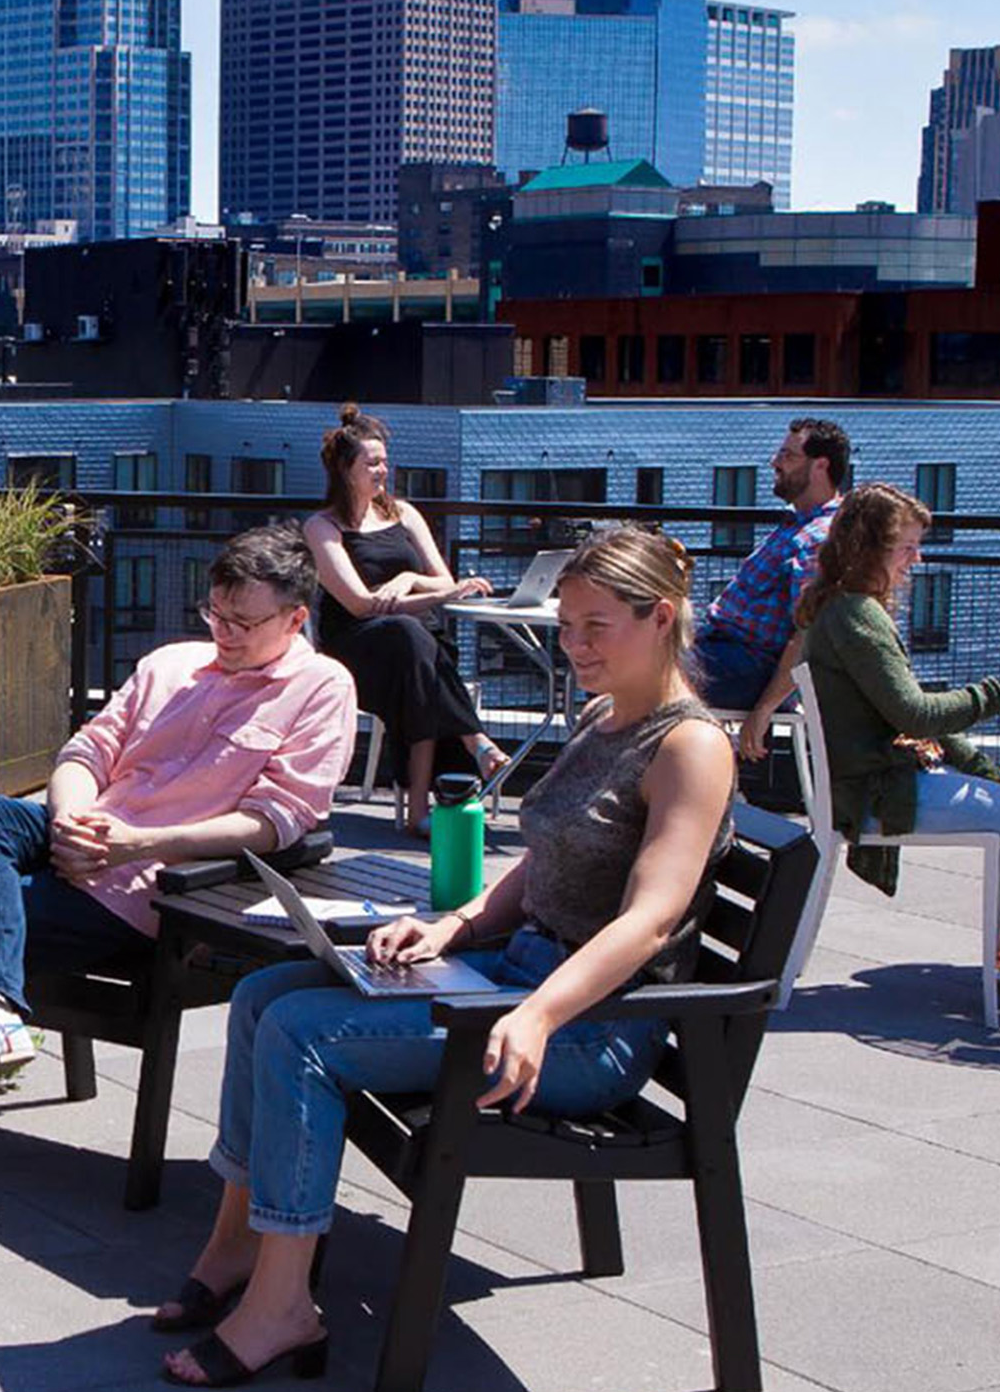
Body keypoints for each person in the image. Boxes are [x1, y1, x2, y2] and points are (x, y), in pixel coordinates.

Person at [157, 525, 735, 1387]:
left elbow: (650, 922)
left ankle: (282, 1305)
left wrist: (538, 1015)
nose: (571, 646)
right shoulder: (607, 718)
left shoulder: (688, 747)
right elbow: (542, 862)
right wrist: (455, 927)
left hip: (588, 1031)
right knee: (263, 994)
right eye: (568, 625)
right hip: (516, 974)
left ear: (660, 619)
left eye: (594, 628)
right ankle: (242, 1242)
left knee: (303, 1034)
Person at [0, 522, 360, 1224]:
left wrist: (137, 844)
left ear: (296, 617)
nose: (224, 633)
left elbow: (276, 821)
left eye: (244, 623)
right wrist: (73, 820)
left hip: (150, 884)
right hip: (88, 833)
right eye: (215, 614)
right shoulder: (172, 665)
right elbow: (88, 751)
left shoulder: (321, 688)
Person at [798, 484, 1000, 1026]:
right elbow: (915, 715)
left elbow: (907, 711)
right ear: (872, 550)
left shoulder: (842, 610)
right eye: (906, 547)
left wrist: (983, 769)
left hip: (879, 782)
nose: (917, 559)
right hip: (884, 794)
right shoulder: (858, 617)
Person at [301, 403, 505, 833]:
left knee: (417, 652)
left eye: (384, 462)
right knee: (412, 643)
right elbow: (359, 605)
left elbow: (440, 578)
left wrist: (409, 578)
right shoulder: (323, 528)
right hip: (356, 646)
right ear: (344, 469)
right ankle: (475, 742)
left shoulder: (404, 514)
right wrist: (438, 595)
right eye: (372, 463)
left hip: (412, 644)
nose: (382, 472)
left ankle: (418, 813)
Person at [691, 418, 847, 750]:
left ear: (820, 466)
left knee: (628, 675)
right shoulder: (797, 524)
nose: (775, 463)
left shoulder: (820, 537)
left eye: (788, 456)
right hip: (722, 653)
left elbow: (809, 634)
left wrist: (764, 708)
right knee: (620, 655)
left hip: (748, 667)